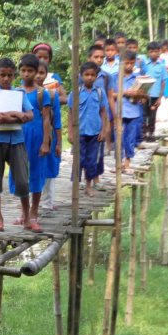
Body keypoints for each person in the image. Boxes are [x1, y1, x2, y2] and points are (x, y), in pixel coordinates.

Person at [0, 57, 34, 232]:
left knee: (22, 180)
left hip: (17, 140)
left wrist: (13, 115)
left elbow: (29, 115)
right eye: (2, 75)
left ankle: (27, 216)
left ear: (14, 76)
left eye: (9, 75)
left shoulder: (19, 94)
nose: (6, 79)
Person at [10, 53, 50, 232]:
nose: (26, 74)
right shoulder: (15, 92)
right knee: (21, 175)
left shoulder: (43, 93)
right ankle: (24, 213)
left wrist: (46, 142)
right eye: (23, 70)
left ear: (37, 72)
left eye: (30, 71)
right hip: (19, 137)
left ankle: (34, 212)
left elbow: (47, 118)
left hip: (36, 137)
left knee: (36, 173)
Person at [69, 61, 110, 197]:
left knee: (92, 160)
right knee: (78, 160)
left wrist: (103, 130)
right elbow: (70, 112)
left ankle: (88, 186)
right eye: (86, 75)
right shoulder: (76, 92)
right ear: (81, 75)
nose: (89, 77)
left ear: (96, 76)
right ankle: (75, 186)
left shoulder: (100, 92)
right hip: (79, 132)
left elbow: (103, 112)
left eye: (92, 75)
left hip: (94, 133)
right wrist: (70, 132)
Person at [86, 44, 115, 191]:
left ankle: (96, 178)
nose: (99, 60)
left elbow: (110, 97)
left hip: (100, 117)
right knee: (85, 151)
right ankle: (86, 179)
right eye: (96, 57)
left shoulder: (106, 76)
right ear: (89, 58)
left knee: (98, 149)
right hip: (86, 118)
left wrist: (114, 117)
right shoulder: (82, 76)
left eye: (101, 57)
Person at [112, 50, 147, 171]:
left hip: (133, 112)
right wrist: (126, 92)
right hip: (119, 113)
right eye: (126, 63)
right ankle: (118, 163)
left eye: (131, 63)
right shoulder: (115, 78)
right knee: (118, 138)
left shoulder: (137, 78)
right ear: (121, 63)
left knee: (130, 139)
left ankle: (127, 162)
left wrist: (140, 94)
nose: (129, 66)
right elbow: (111, 95)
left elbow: (145, 96)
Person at [37, 60, 63, 215]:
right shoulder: (22, 93)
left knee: (49, 170)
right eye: (36, 72)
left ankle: (47, 203)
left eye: (42, 73)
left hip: (49, 139)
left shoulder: (52, 96)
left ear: (46, 75)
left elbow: (57, 121)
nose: (38, 76)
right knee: (31, 170)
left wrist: (59, 142)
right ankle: (29, 203)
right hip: (30, 138)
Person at [141, 41, 168, 141]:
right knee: (144, 115)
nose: (154, 54)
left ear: (159, 53)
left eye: (156, 52)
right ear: (148, 52)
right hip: (144, 95)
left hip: (155, 96)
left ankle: (151, 134)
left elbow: (163, 82)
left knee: (152, 116)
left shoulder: (161, 66)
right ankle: (143, 134)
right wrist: (141, 95)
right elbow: (141, 79)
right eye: (151, 51)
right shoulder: (144, 65)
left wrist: (160, 98)